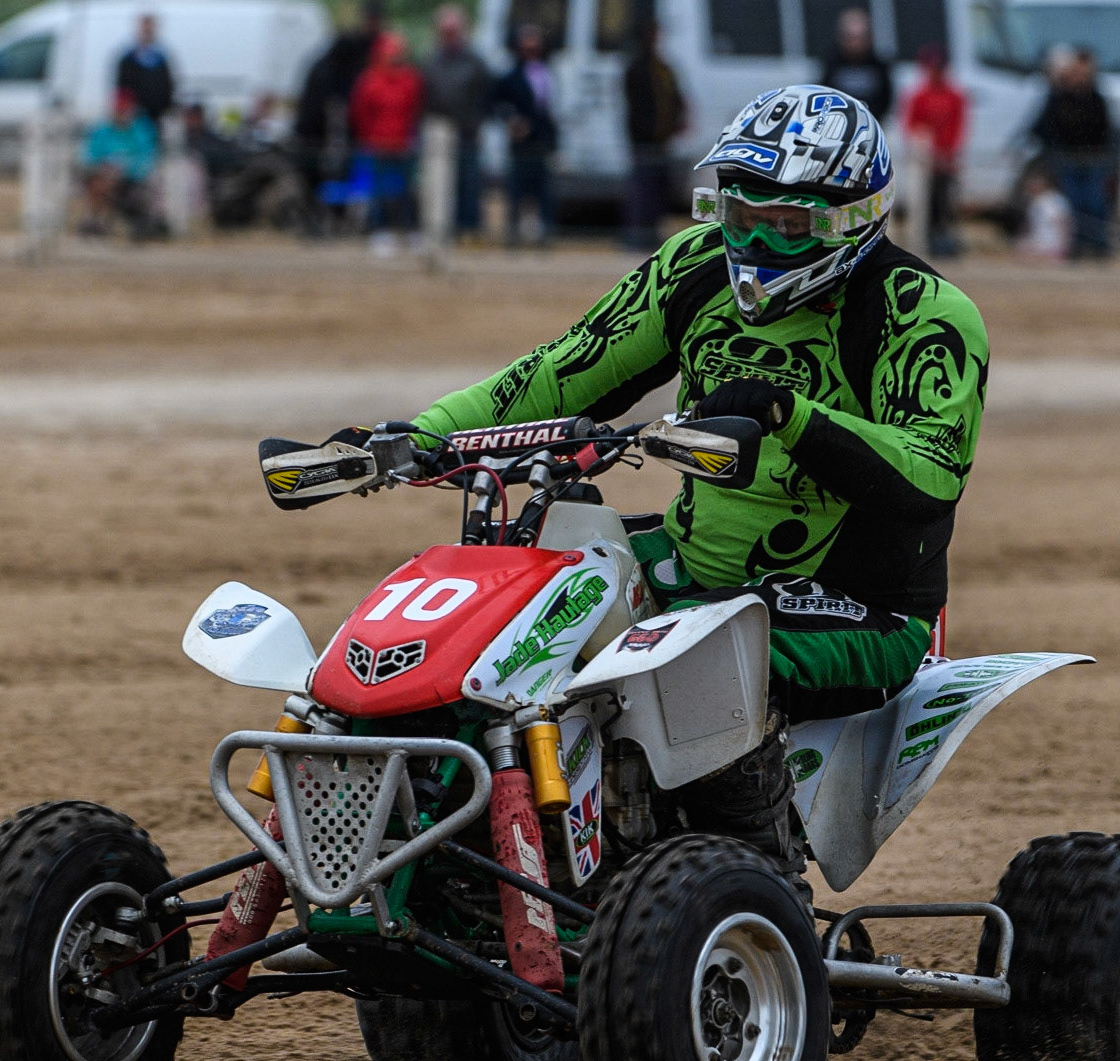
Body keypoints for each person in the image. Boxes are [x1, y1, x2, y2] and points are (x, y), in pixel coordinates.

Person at [413, 86, 987, 898]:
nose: (751, 240)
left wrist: (790, 413)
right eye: (737, 214)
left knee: (705, 649)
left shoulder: (924, 314)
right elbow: (564, 369)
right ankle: (481, 858)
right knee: (504, 605)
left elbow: (932, 473)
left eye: (784, 227)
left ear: (852, 219)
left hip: (866, 604)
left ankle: (759, 883)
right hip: (691, 561)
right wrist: (423, 430)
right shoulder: (695, 265)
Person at [292, 3, 383, 234]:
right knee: (333, 180)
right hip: (326, 138)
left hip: (327, 138)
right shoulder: (334, 69)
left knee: (337, 181)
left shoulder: (324, 65)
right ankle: (328, 222)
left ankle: (329, 222)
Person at [1030, 47, 1115, 258]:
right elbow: (1044, 128)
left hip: (1092, 159)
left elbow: (1106, 130)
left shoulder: (1097, 99)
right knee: (1073, 204)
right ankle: (1074, 245)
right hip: (1067, 159)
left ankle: (1098, 245)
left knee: (1094, 203)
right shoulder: (1059, 98)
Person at [348, 30, 424, 256]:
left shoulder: (411, 80)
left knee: (408, 191)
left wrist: (411, 137)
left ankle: (411, 231)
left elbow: (416, 111)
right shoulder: (370, 80)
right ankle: (380, 231)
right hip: (377, 144)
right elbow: (360, 112)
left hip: (404, 144)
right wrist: (368, 137)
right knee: (378, 192)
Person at [424, 4, 491, 242]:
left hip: (468, 134)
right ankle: (443, 231)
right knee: (440, 187)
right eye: (445, 32)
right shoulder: (431, 62)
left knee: (470, 185)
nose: (450, 36)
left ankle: (470, 230)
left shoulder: (475, 62)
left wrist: (477, 121)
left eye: (454, 31)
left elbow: (486, 95)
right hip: (440, 134)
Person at [492, 24, 559, 247]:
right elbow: (496, 103)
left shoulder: (548, 73)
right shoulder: (510, 77)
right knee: (517, 190)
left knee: (544, 192)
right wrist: (512, 120)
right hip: (521, 145)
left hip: (542, 142)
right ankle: (513, 235)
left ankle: (545, 234)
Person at [622, 17, 685, 251]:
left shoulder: (662, 68)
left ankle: (650, 233)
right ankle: (637, 234)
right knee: (642, 190)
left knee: (657, 191)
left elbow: (675, 98)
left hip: (662, 140)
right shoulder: (637, 67)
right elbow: (638, 106)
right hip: (644, 141)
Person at [900, 45, 966, 258]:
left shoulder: (954, 95)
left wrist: (948, 152)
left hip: (945, 159)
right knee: (924, 202)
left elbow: (958, 126)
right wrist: (922, 150)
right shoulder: (919, 95)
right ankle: (925, 240)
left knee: (945, 201)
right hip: (925, 158)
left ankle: (944, 239)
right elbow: (911, 125)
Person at [80, 90, 161, 238]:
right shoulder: (102, 130)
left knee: (107, 185)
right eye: (119, 109)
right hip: (105, 176)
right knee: (97, 184)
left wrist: (126, 170)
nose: (121, 113)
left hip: (133, 180)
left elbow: (148, 159)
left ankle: (108, 223)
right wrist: (104, 168)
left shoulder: (142, 131)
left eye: (124, 109)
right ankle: (96, 222)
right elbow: (89, 156)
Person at [821, 9, 892, 122]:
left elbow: (886, 99)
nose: (856, 43)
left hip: (871, 122)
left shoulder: (879, 66)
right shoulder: (831, 64)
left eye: (860, 38)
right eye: (851, 38)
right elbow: (824, 94)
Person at [115, 15, 177, 130]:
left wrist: (168, 108)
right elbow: (122, 86)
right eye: (145, 28)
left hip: (157, 115)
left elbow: (169, 85)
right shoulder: (128, 57)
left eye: (150, 28)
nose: (148, 31)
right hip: (134, 114)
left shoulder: (161, 58)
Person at [1017, 168, 1071, 261]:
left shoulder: (1052, 200)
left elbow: (1063, 223)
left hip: (1051, 244)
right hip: (1039, 242)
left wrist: (1064, 244)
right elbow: (1028, 226)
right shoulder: (1035, 201)